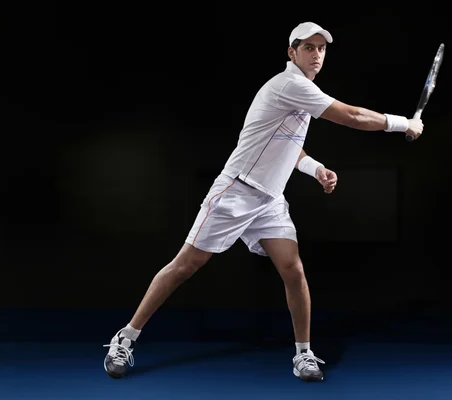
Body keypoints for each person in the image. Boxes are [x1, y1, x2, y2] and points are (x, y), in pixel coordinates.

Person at [103, 21, 424, 382]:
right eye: (308, 47)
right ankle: (125, 338)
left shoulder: (302, 91)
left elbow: (289, 143)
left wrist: (315, 168)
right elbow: (351, 116)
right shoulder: (289, 84)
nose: (316, 54)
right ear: (292, 52)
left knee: (294, 270)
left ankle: (303, 354)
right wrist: (403, 124)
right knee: (183, 268)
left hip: (269, 200)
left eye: (322, 48)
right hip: (235, 192)